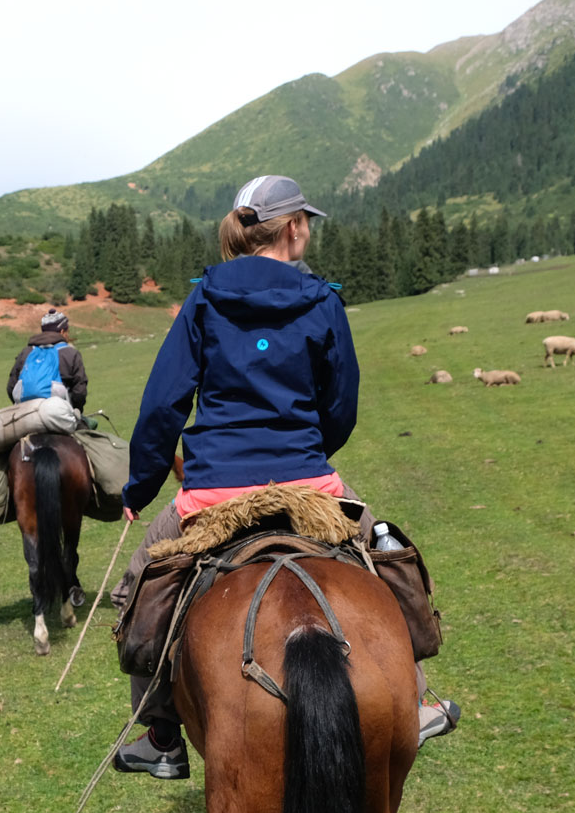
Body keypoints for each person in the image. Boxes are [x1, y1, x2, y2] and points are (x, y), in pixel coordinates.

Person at [110, 175, 458, 780]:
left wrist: (140, 489)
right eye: (309, 223)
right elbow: (341, 404)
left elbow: (164, 404)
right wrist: (307, 451)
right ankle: (419, 700)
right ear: (294, 226)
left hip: (214, 488)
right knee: (384, 555)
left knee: (146, 583)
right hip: (309, 487)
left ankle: (163, 734)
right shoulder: (322, 300)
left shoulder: (203, 299)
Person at [7, 309, 88, 410]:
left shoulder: (26, 352)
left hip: (25, 411)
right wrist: (76, 411)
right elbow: (79, 391)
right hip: (58, 411)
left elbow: (11, 386)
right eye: (67, 331)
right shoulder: (70, 353)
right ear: (62, 332)